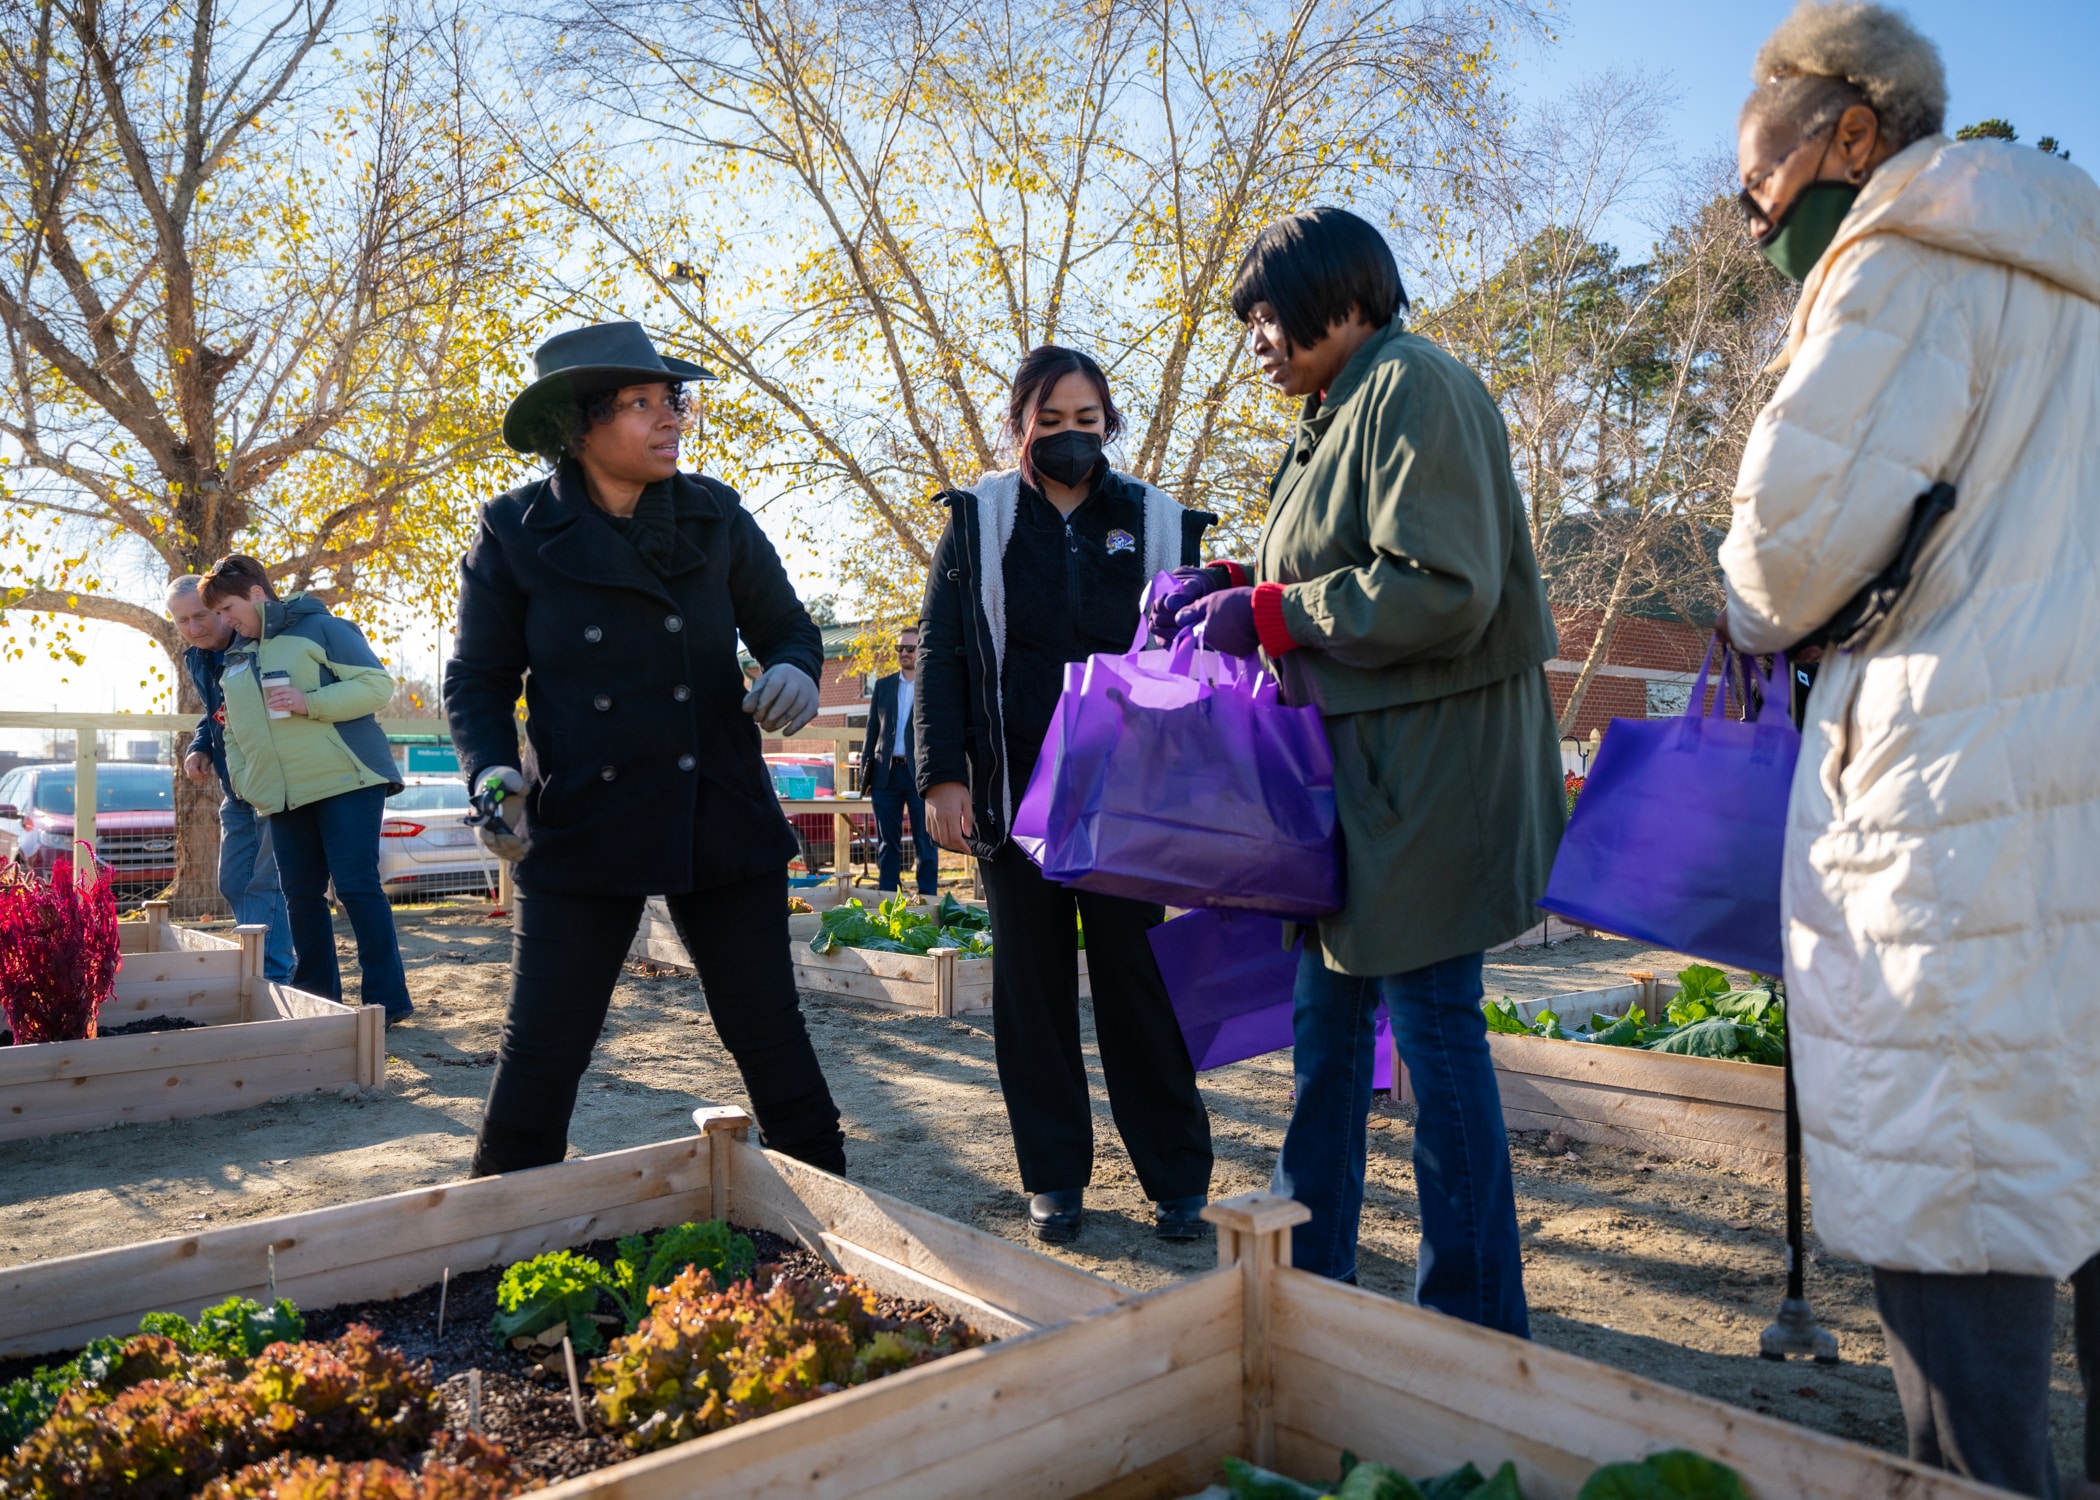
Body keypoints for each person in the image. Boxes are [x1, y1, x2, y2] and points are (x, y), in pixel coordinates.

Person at [1718, 4, 2100, 1493]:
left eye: (1759, 183)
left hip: (1957, 807)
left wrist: (1764, 602)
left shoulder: (1901, 263)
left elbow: (1782, 563)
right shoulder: (2076, 274)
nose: (1755, 221)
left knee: (1963, 1194)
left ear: (1853, 137)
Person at [1161, 206, 1563, 1331]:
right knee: (1327, 1036)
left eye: (1269, 317)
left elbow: (1443, 585)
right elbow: (1335, 556)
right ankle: (1309, 1292)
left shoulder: (1412, 385)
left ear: (1342, 298)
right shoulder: (1339, 408)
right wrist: (1231, 582)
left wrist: (1274, 612)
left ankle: (1476, 1329)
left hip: (1433, 783)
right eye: (1250, 324)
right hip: (1366, 787)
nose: (1259, 343)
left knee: (1434, 1041)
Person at [444, 320, 845, 1177]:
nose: (672, 420)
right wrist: (492, 774)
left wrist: (796, 675)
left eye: (674, 400)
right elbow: (476, 679)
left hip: (720, 807)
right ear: (578, 427)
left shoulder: (716, 513)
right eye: (642, 404)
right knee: (544, 1047)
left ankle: (838, 1221)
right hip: (583, 813)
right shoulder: (513, 531)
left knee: (766, 1027)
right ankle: (496, 1234)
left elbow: (789, 631)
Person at [915, 344, 1216, 1243]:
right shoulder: (978, 519)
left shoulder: (1159, 524)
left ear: (1109, 427)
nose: (1070, 437)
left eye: (1088, 421)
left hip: (1124, 807)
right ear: (1021, 427)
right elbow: (941, 653)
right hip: (1013, 802)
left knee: (1138, 987)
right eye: (1051, 422)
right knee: (1033, 994)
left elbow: (1191, 664)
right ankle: (1053, 1179)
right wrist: (942, 776)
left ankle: (1176, 1179)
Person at [199, 554, 414, 1024]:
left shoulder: (321, 627)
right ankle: (318, 996)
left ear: (257, 593)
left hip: (348, 779)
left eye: (228, 608)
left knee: (356, 888)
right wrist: (245, 779)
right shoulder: (235, 656)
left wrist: (308, 702)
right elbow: (230, 728)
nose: (225, 620)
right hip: (283, 793)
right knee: (299, 894)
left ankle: (387, 1001)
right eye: (219, 614)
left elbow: (377, 685)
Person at [166, 574, 294, 983]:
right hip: (234, 786)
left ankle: (269, 974)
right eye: (182, 621)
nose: (194, 628)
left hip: (273, 783)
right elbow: (216, 713)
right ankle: (262, 961)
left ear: (221, 608)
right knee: (233, 880)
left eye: (201, 615)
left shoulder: (257, 647)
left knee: (265, 883)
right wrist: (200, 745)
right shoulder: (197, 657)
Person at [859, 628, 939, 898]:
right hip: (886, 775)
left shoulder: (931, 685)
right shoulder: (883, 685)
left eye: (910, 648)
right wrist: (865, 776)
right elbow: (871, 733)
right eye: (900, 649)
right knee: (887, 845)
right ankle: (887, 902)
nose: (904, 653)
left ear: (921, 651)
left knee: (925, 843)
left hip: (921, 776)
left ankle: (927, 900)